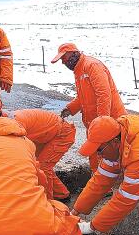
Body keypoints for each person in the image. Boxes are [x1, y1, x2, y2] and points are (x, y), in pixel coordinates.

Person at [0, 104, 76, 201]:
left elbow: (16, 153)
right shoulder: (5, 120)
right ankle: (60, 194)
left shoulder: (15, 124)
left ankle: (49, 200)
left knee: (43, 167)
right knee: (38, 165)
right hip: (46, 135)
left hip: (62, 134)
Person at [51, 43, 126, 172]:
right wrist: (70, 108)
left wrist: (102, 122)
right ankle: (97, 182)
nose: (63, 62)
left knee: (113, 154)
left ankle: (110, 186)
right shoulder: (79, 70)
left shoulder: (92, 66)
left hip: (111, 120)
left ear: (73, 52)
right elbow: (83, 97)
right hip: (95, 123)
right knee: (96, 154)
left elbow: (104, 94)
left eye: (64, 57)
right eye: (61, 60)